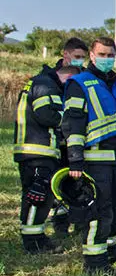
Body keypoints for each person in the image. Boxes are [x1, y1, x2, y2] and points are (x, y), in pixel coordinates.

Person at [61, 37, 116, 275]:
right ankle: (95, 264)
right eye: (102, 54)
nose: (106, 59)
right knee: (99, 212)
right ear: (92, 56)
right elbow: (72, 124)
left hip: (112, 160)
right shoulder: (79, 84)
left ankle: (109, 250)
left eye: (110, 55)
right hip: (92, 160)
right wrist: (75, 159)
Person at [13, 64, 83, 254]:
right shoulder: (46, 85)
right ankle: (33, 242)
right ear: (69, 76)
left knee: (40, 195)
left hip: (35, 150)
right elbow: (46, 115)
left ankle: (36, 237)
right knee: (38, 195)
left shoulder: (41, 82)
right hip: (38, 150)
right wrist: (71, 120)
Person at [41, 37, 89, 239]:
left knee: (79, 185)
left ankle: (81, 223)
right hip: (56, 141)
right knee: (57, 186)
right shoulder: (50, 78)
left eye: (83, 57)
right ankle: (60, 225)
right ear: (65, 54)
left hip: (77, 141)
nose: (80, 61)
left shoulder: (83, 78)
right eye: (77, 56)